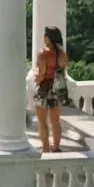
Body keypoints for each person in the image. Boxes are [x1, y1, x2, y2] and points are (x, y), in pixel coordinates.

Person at [34, 25, 69, 154]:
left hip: (44, 88)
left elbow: (41, 72)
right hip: (57, 89)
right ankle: (56, 148)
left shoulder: (43, 53)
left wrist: (36, 80)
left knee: (42, 122)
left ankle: (45, 147)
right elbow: (62, 72)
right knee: (55, 121)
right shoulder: (62, 54)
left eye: (45, 35)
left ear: (48, 37)